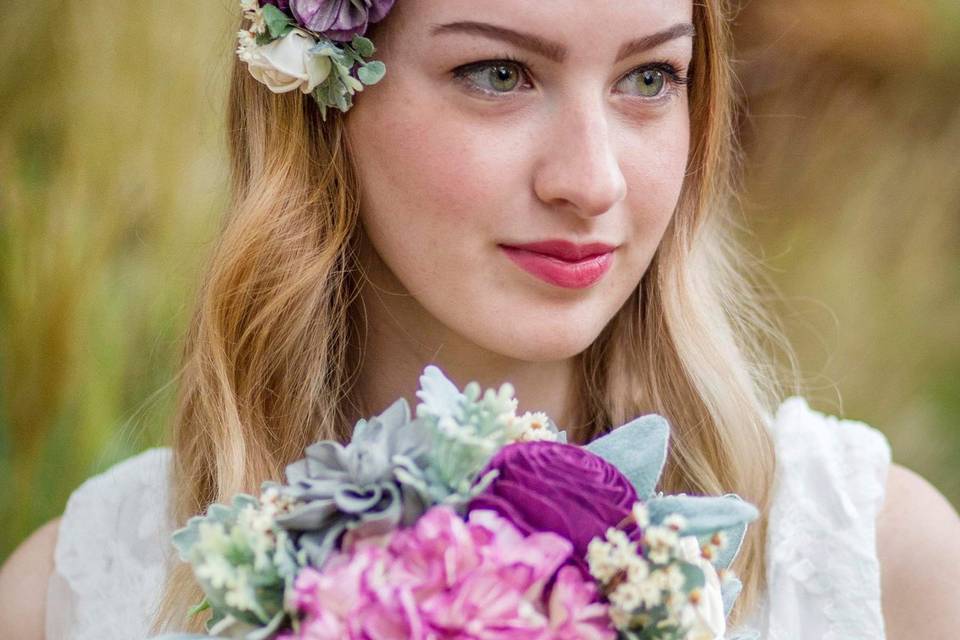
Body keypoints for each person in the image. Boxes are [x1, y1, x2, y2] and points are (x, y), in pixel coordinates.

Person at [2, 0, 959, 638]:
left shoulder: (875, 566)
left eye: (650, 78)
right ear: (320, 105)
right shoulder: (82, 595)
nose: (591, 181)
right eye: (499, 74)